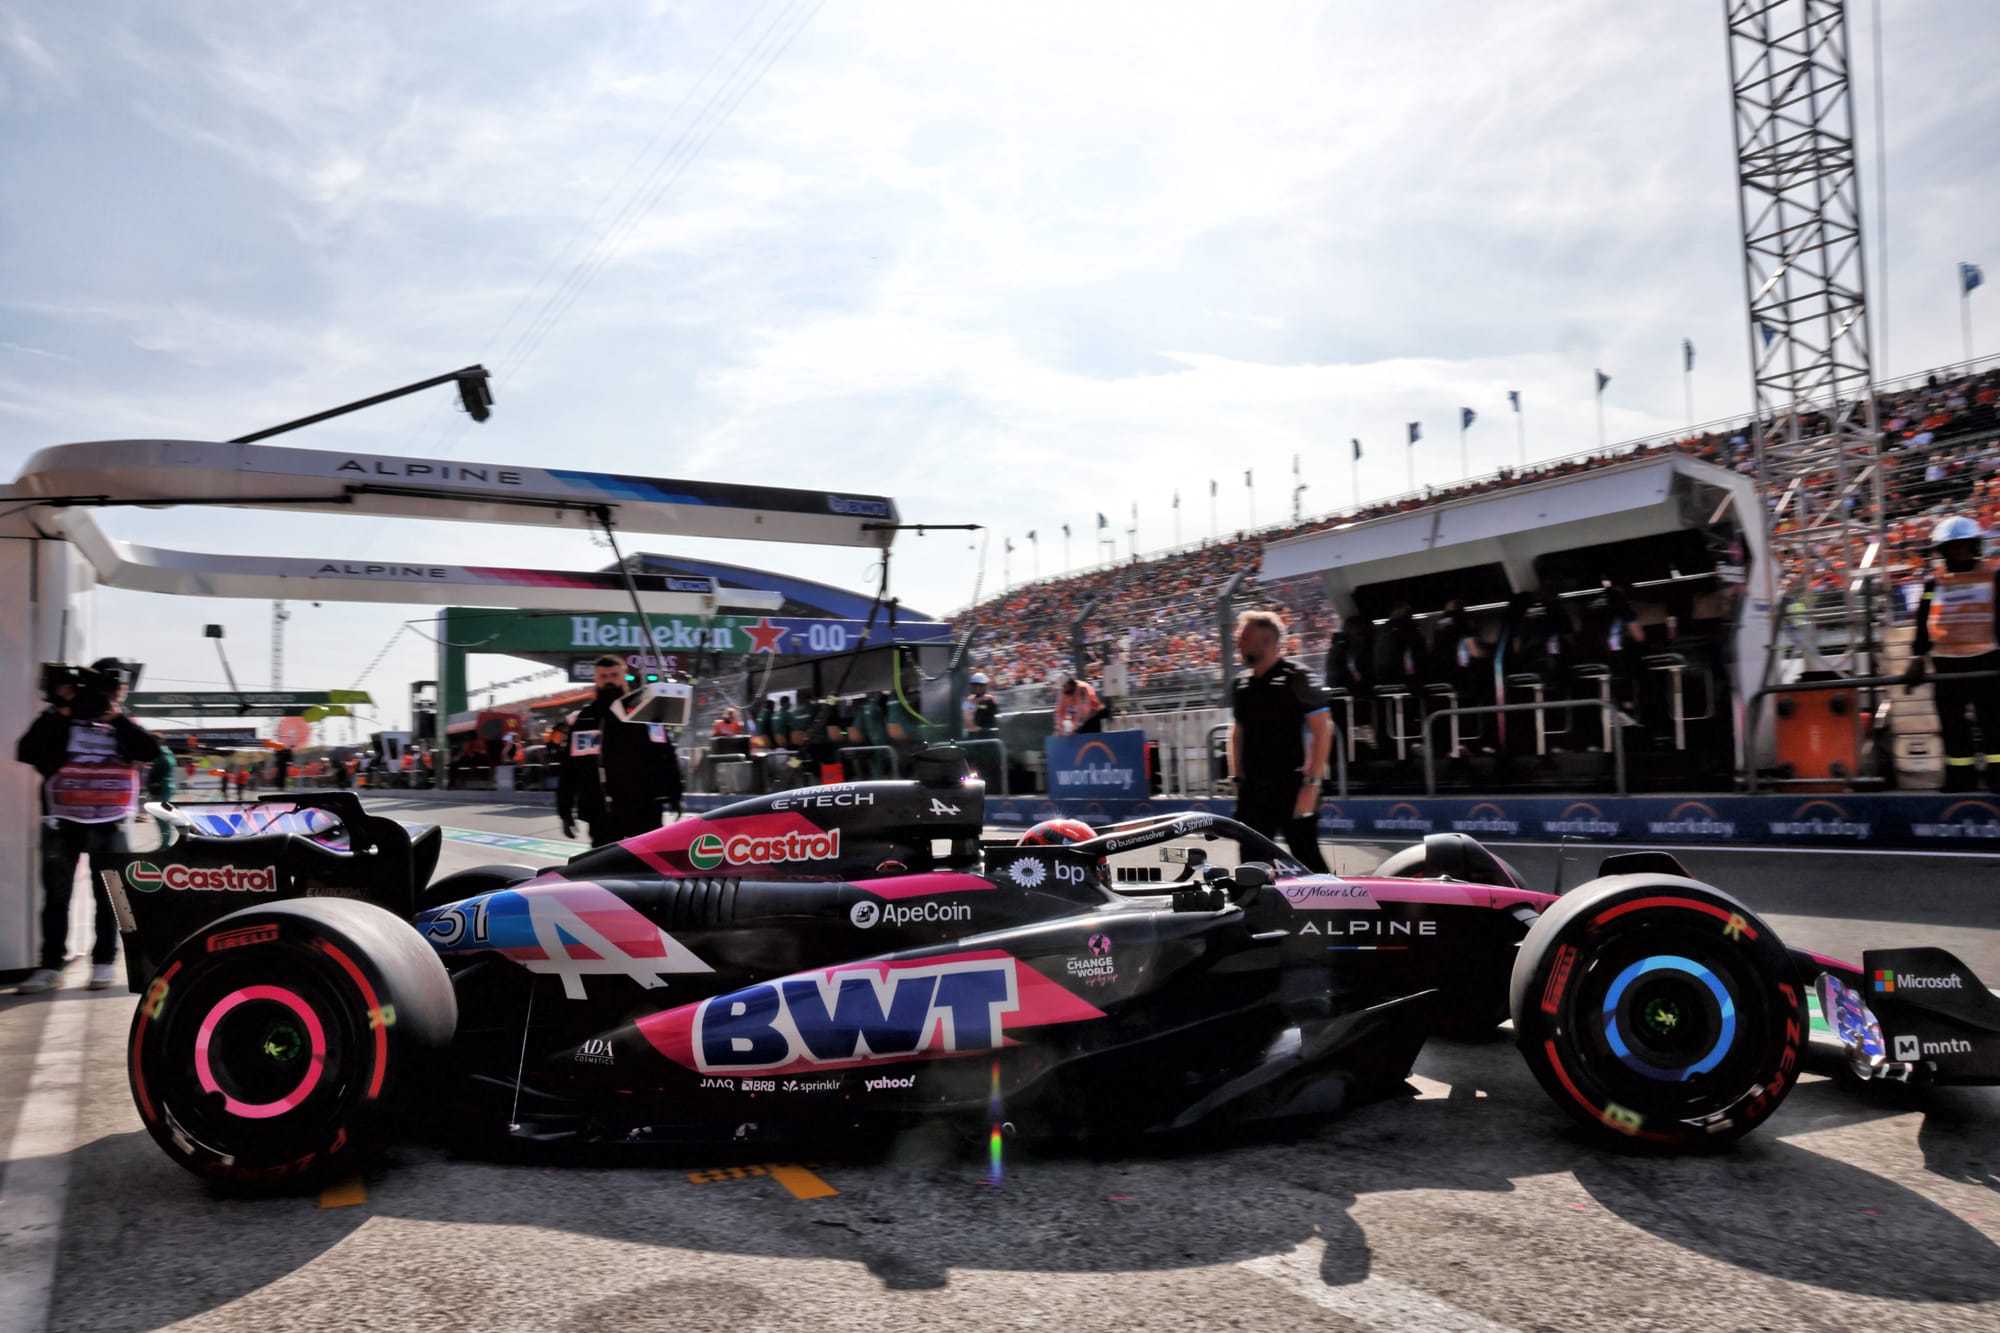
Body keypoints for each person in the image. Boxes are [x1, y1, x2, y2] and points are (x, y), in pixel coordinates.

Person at [13, 658, 163, 993]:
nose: (117, 692)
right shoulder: (62, 718)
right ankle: (50, 966)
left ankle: (103, 963)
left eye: (119, 687)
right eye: (112, 686)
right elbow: (27, 750)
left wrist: (116, 718)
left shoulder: (125, 722)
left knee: (110, 897)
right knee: (56, 897)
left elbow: (150, 751)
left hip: (110, 823)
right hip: (61, 822)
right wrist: (61, 712)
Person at [1227, 610, 1333, 874]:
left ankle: (1334, 911)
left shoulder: (1297, 677)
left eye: (1244, 638)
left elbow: (1323, 730)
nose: (1238, 644)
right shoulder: (1240, 684)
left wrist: (1312, 785)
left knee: (1307, 856)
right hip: (1253, 790)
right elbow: (1237, 732)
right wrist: (1236, 779)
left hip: (1293, 786)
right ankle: (1258, 914)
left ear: (1266, 642)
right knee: (1251, 862)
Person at [1904, 515, 2000, 792]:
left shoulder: (1992, 575)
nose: (1959, 551)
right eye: (1952, 546)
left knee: (1994, 723)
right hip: (1946, 664)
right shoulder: (1934, 582)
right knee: (1952, 726)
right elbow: (1924, 621)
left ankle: (1997, 778)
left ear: (1974, 546)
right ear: (1942, 550)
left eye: (1964, 545)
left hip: (1987, 660)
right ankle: (1960, 779)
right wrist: (1916, 657)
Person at [557, 654, 685, 846]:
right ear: (596, 679)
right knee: (606, 871)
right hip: (602, 813)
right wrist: (565, 811)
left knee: (648, 868)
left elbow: (665, 755)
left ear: (623, 676)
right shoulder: (585, 719)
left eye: (614, 675)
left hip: (644, 809)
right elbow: (570, 768)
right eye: (603, 676)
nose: (609, 680)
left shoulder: (644, 712)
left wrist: (675, 794)